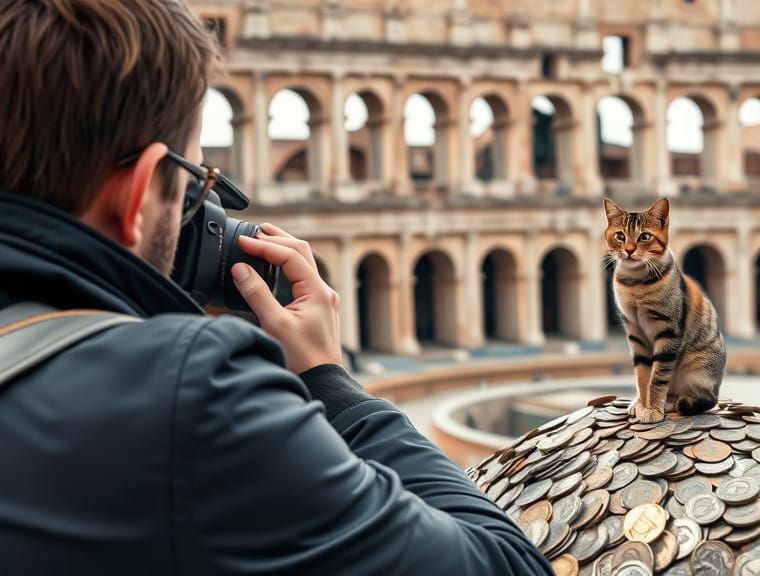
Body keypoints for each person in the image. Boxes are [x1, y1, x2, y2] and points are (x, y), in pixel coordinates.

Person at [0, 1, 551, 574]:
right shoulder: (191, 396)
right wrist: (330, 383)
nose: (199, 216)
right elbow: (506, 565)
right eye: (195, 186)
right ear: (139, 192)